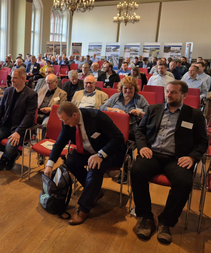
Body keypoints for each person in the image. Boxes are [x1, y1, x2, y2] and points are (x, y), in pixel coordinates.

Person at [131, 81, 207, 244]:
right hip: (154, 154)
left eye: (173, 92)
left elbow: (202, 142)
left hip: (177, 158)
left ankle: (166, 222)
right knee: (137, 171)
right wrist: (143, 146)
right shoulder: (153, 109)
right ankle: (146, 217)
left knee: (184, 182)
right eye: (167, 91)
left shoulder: (194, 115)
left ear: (184, 95)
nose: (168, 95)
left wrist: (192, 157)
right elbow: (140, 132)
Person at [44, 102, 126, 225]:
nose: (64, 123)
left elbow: (118, 138)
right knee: (71, 162)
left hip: (109, 151)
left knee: (94, 168)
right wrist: (49, 165)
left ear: (75, 115)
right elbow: (59, 143)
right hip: (88, 151)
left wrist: (101, 155)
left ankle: (83, 210)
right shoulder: (67, 121)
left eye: (65, 120)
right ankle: (95, 192)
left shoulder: (96, 117)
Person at [0, 69, 37, 171]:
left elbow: (29, 116)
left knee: (10, 146)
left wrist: (18, 132)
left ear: (23, 78)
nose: (11, 80)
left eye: (14, 78)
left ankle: (6, 157)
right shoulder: (8, 91)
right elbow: (0, 109)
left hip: (20, 129)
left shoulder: (31, 95)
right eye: (11, 77)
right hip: (5, 125)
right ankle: (13, 154)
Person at [101, 76, 149, 183]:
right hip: (114, 129)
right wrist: (115, 110)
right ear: (121, 88)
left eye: (130, 88)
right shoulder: (116, 97)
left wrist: (139, 113)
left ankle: (123, 167)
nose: (127, 91)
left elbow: (149, 114)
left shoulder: (140, 99)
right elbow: (103, 108)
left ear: (135, 89)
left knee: (121, 142)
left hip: (131, 130)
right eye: (125, 88)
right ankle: (107, 163)